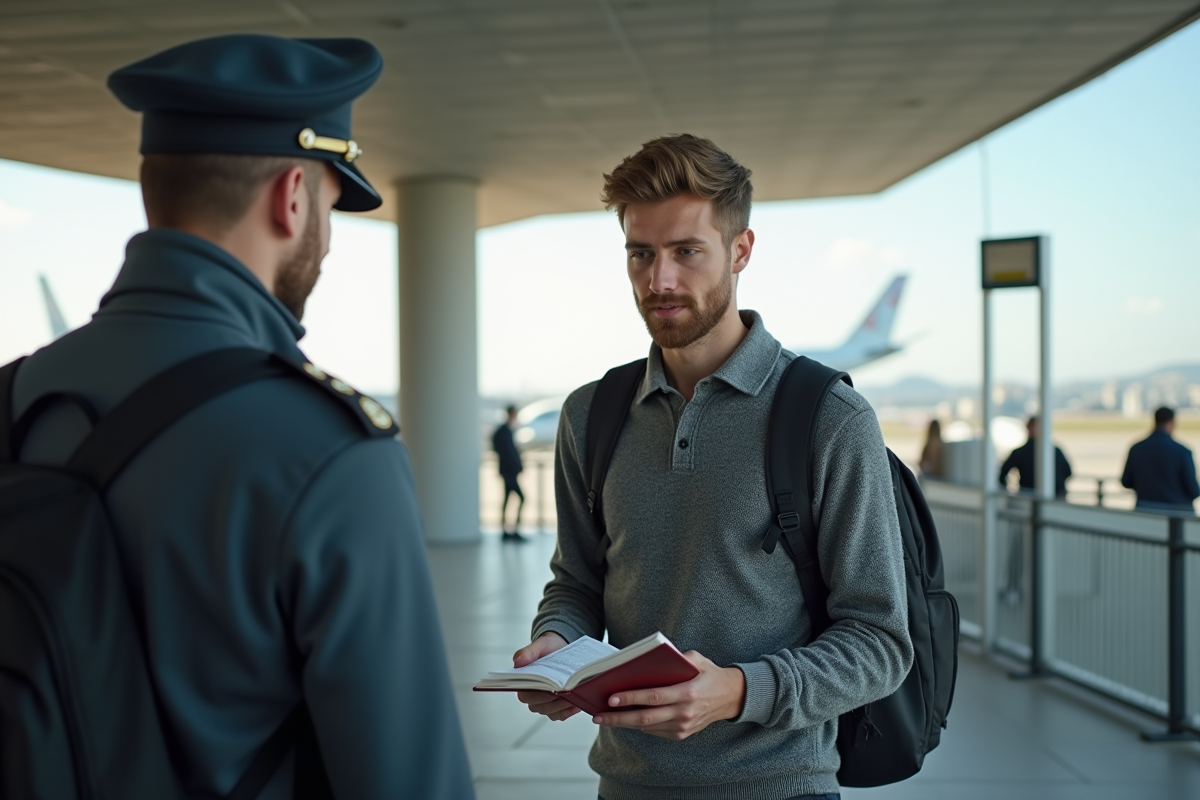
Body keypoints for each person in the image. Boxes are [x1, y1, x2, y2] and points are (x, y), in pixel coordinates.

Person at [5, 35, 472, 799]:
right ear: (292, 197)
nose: (326, 238)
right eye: (330, 205)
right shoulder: (328, 449)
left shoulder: (12, 398)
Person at [510, 134, 913, 799]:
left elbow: (880, 643)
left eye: (687, 252)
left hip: (781, 786)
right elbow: (578, 583)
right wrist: (557, 641)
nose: (659, 280)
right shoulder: (590, 414)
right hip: (625, 786)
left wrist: (738, 691)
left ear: (740, 251)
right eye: (641, 253)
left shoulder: (831, 418)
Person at [1121, 407, 1200, 514]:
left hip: (1145, 509)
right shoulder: (1182, 451)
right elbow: (1194, 491)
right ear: (1172, 423)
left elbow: (1126, 482)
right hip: (1178, 513)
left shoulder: (1136, 448)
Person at [998, 416, 1072, 498]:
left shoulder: (1020, 452)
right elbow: (1068, 472)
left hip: (1029, 496)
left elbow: (1002, 475)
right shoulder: (1055, 450)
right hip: (1056, 496)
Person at [493, 404, 527, 541]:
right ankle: (512, 531)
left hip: (509, 472)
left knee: (507, 500)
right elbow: (506, 452)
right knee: (521, 498)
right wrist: (515, 465)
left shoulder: (506, 431)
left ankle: (507, 532)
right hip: (509, 472)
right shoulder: (503, 432)